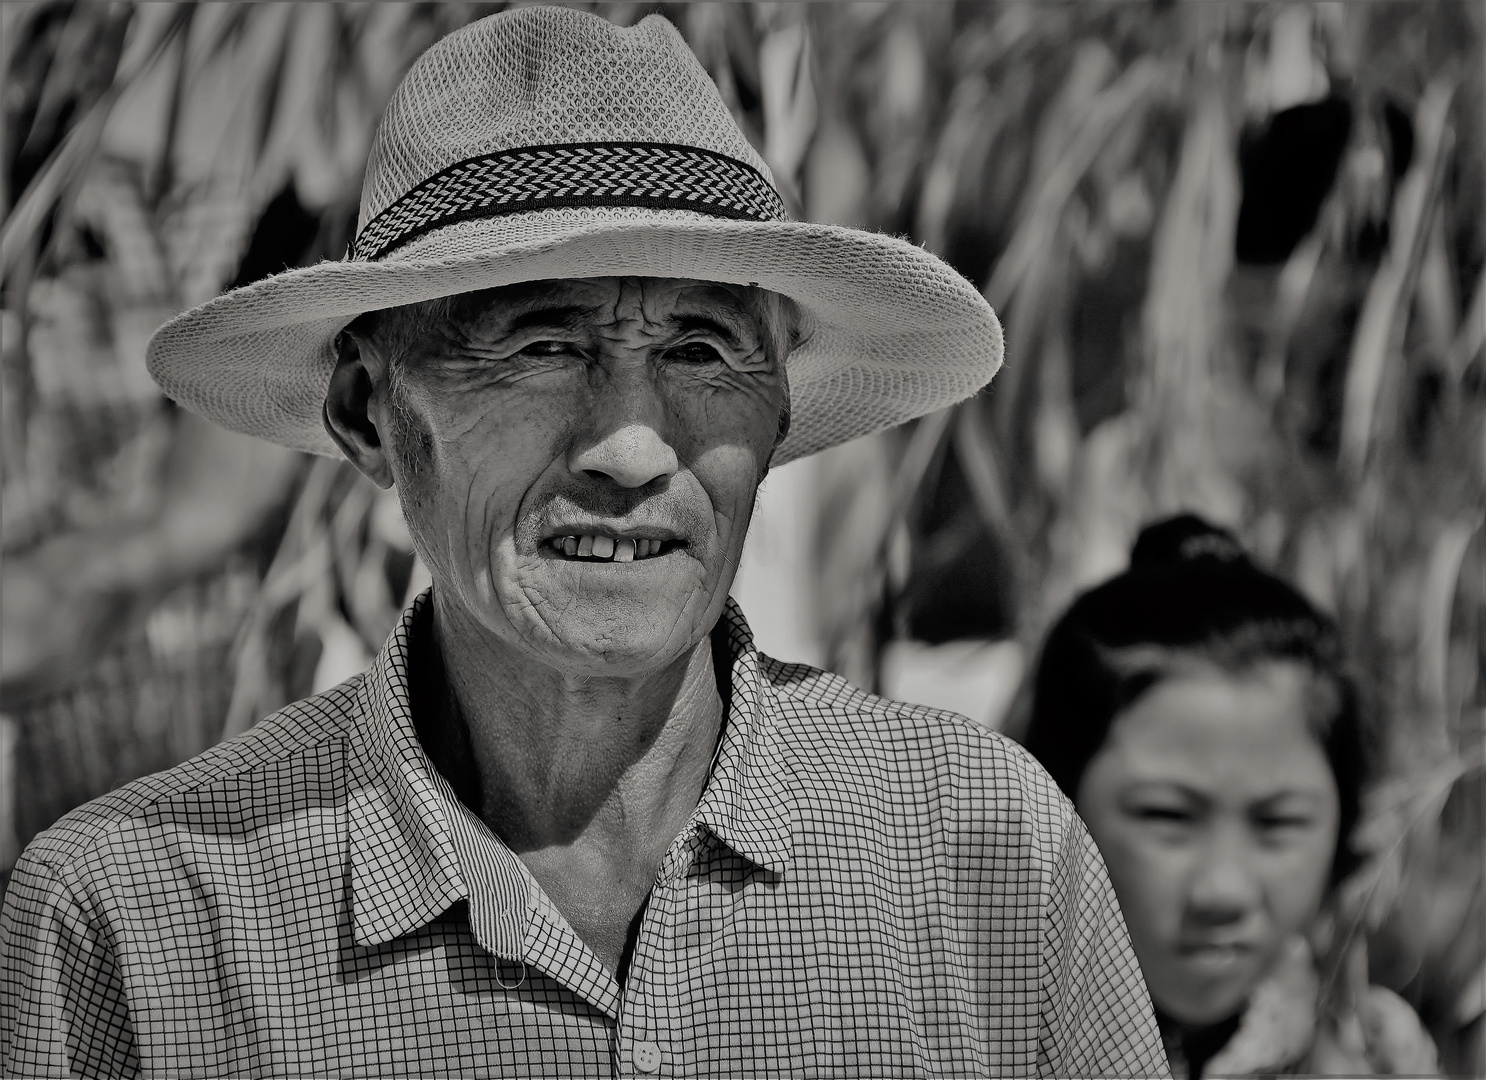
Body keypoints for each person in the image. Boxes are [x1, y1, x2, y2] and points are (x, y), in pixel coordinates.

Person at [0, 8, 1168, 1077]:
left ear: (777, 417)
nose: (630, 449)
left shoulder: (981, 845)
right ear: (368, 412)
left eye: (701, 351)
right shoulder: (138, 919)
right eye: (541, 348)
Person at [1022, 513, 1437, 1078]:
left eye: (1279, 824)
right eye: (1166, 815)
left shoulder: (1376, 1057)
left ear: (1345, 834)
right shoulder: (946, 1033)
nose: (1223, 891)